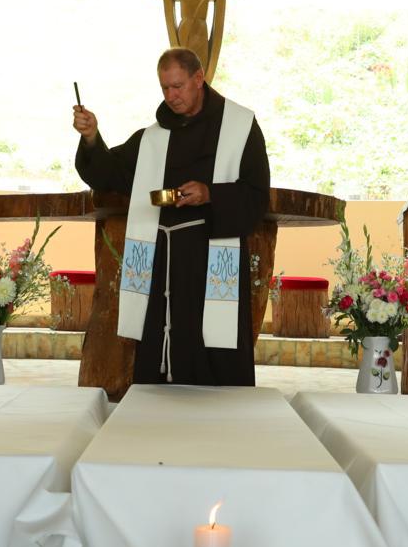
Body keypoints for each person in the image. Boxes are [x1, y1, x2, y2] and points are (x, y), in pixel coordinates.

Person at [73, 48, 270, 386]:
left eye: (178, 86)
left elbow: (256, 193)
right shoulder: (153, 136)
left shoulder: (239, 125)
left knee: (209, 348)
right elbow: (110, 172)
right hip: (161, 262)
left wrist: (210, 194)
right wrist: (91, 138)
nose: (171, 96)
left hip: (209, 259)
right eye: (164, 88)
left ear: (199, 78)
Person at [131, 0, 273, 84]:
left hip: (200, 34)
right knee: (182, 68)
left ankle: (199, 99)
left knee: (200, 70)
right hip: (184, 32)